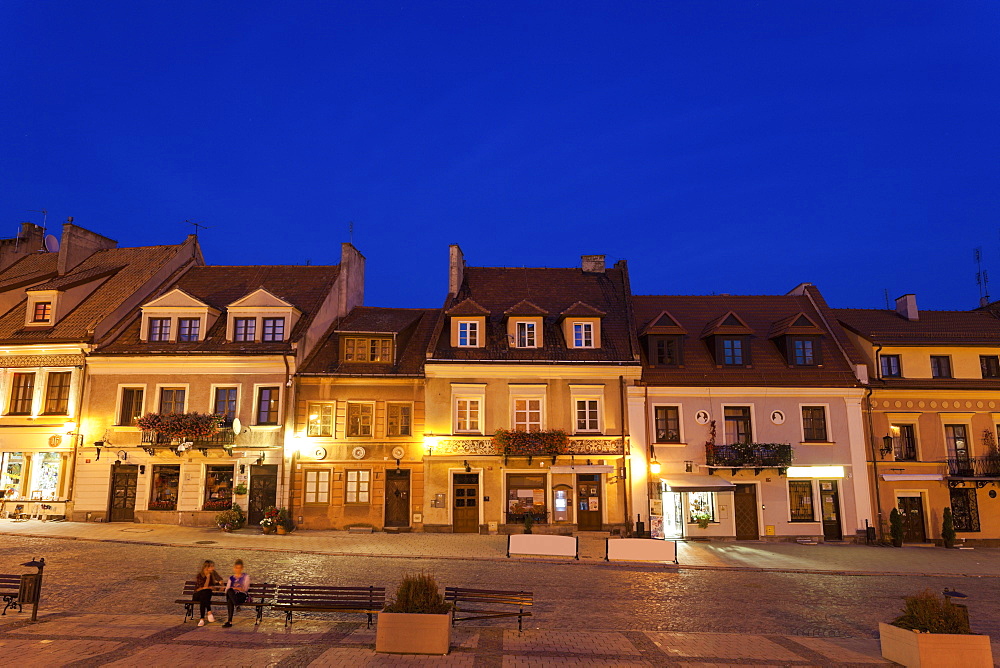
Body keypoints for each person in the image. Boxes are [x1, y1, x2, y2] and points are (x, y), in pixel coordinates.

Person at [192, 560, 223, 626]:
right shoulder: (200, 575)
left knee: (206, 594)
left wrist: (221, 584)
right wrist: (208, 577)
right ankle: (209, 613)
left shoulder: (213, 573)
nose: (213, 568)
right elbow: (203, 587)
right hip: (197, 594)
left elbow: (220, 579)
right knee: (205, 592)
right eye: (212, 567)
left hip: (205, 595)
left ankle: (202, 619)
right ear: (206, 567)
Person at [222, 559, 251, 628]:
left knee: (230, 600)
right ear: (234, 568)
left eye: (239, 568)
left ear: (242, 568)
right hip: (233, 595)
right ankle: (237, 606)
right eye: (236, 568)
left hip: (241, 595)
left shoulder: (245, 577)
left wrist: (236, 588)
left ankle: (229, 621)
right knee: (230, 593)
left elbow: (245, 589)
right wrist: (235, 588)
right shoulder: (231, 578)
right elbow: (227, 589)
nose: (238, 570)